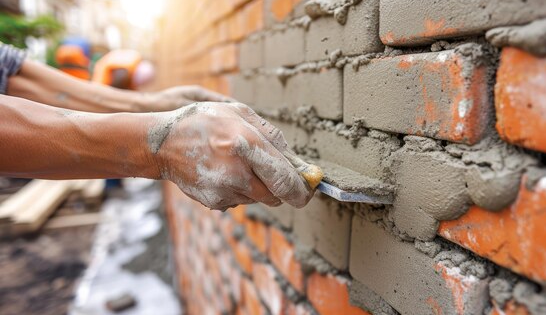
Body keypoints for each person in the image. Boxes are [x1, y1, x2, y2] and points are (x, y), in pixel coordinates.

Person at [0, 43, 314, 210]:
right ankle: (113, 187)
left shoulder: (129, 66)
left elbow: (9, 72)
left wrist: (147, 106)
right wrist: (159, 145)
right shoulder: (122, 67)